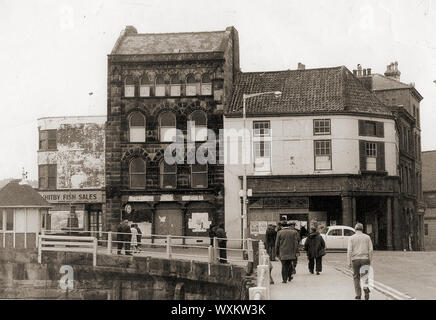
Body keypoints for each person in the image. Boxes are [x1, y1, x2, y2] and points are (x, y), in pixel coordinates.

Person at [347, 222, 373, 300]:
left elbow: (349, 251)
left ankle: (358, 295)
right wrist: (370, 260)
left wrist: (349, 262)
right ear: (362, 229)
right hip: (365, 259)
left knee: (356, 277)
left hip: (355, 260)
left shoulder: (351, 238)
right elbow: (371, 250)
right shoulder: (367, 237)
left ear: (355, 229)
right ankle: (366, 291)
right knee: (365, 277)